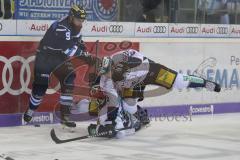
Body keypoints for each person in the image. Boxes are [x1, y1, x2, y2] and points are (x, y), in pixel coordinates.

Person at [88, 49, 221, 138]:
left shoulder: (123, 60)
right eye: (104, 74)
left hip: (150, 71)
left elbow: (134, 54)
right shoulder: (105, 80)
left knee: (178, 80)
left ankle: (204, 82)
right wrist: (108, 123)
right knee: (128, 104)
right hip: (133, 82)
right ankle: (139, 116)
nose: (107, 75)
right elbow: (113, 101)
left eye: (108, 72)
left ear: (113, 65)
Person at [23, 5, 89, 128]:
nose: (81, 23)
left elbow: (77, 41)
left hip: (59, 56)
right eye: (78, 19)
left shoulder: (77, 26)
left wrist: (83, 47)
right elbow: (68, 49)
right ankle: (30, 111)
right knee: (41, 86)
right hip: (45, 55)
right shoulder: (62, 27)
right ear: (71, 17)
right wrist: (84, 55)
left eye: (82, 20)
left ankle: (65, 116)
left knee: (69, 78)